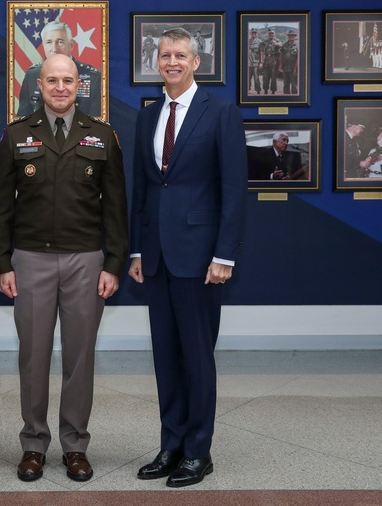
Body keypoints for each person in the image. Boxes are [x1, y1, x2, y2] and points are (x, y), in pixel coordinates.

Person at [0, 53, 128, 484]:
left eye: (68, 80)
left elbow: (117, 210)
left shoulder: (102, 136)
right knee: (32, 357)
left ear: (79, 86)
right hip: (29, 260)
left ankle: (75, 446)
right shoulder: (15, 136)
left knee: (79, 358)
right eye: (52, 80)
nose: (61, 88)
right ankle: (33, 444)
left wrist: (114, 263)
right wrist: (2, 263)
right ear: (40, 85)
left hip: (86, 261)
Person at [128, 27, 247, 488]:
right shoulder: (149, 115)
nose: (172, 62)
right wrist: (137, 249)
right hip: (156, 257)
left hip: (201, 260)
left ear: (197, 62)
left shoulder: (220, 112)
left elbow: (234, 191)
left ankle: (199, 451)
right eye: (164, 55)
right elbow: (144, 188)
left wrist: (225, 255)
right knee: (165, 356)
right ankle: (171, 444)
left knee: (197, 356)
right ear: (156, 62)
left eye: (180, 55)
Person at [18, 20, 102, 117]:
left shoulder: (93, 77)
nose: (54, 48)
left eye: (60, 42)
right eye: (49, 42)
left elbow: (97, 124)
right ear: (44, 46)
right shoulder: (32, 74)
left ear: (71, 45)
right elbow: (22, 119)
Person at [259, 28, 281, 94]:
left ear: (274, 34)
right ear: (268, 34)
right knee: (265, 76)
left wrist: (276, 44)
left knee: (274, 76)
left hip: (274, 59)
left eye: (272, 33)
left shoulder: (277, 40)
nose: (271, 34)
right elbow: (262, 52)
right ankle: (265, 90)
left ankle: (273, 91)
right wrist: (261, 62)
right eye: (270, 33)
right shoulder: (264, 42)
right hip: (266, 60)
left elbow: (281, 45)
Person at [279, 30, 299, 94]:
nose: (291, 37)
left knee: (294, 85)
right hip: (285, 67)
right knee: (286, 84)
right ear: (288, 36)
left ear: (294, 36)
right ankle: (286, 98)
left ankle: (294, 100)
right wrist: (280, 65)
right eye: (290, 35)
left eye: (292, 35)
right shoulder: (284, 45)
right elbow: (281, 55)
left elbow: (298, 58)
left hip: (293, 67)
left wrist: (296, 68)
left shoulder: (297, 45)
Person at [247, 28, 262, 94]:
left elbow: (261, 53)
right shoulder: (247, 41)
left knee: (256, 78)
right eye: (252, 33)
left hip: (256, 62)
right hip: (248, 63)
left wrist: (261, 62)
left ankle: (258, 91)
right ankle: (247, 90)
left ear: (256, 34)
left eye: (255, 33)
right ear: (250, 33)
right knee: (248, 78)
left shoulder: (259, 42)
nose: (254, 34)